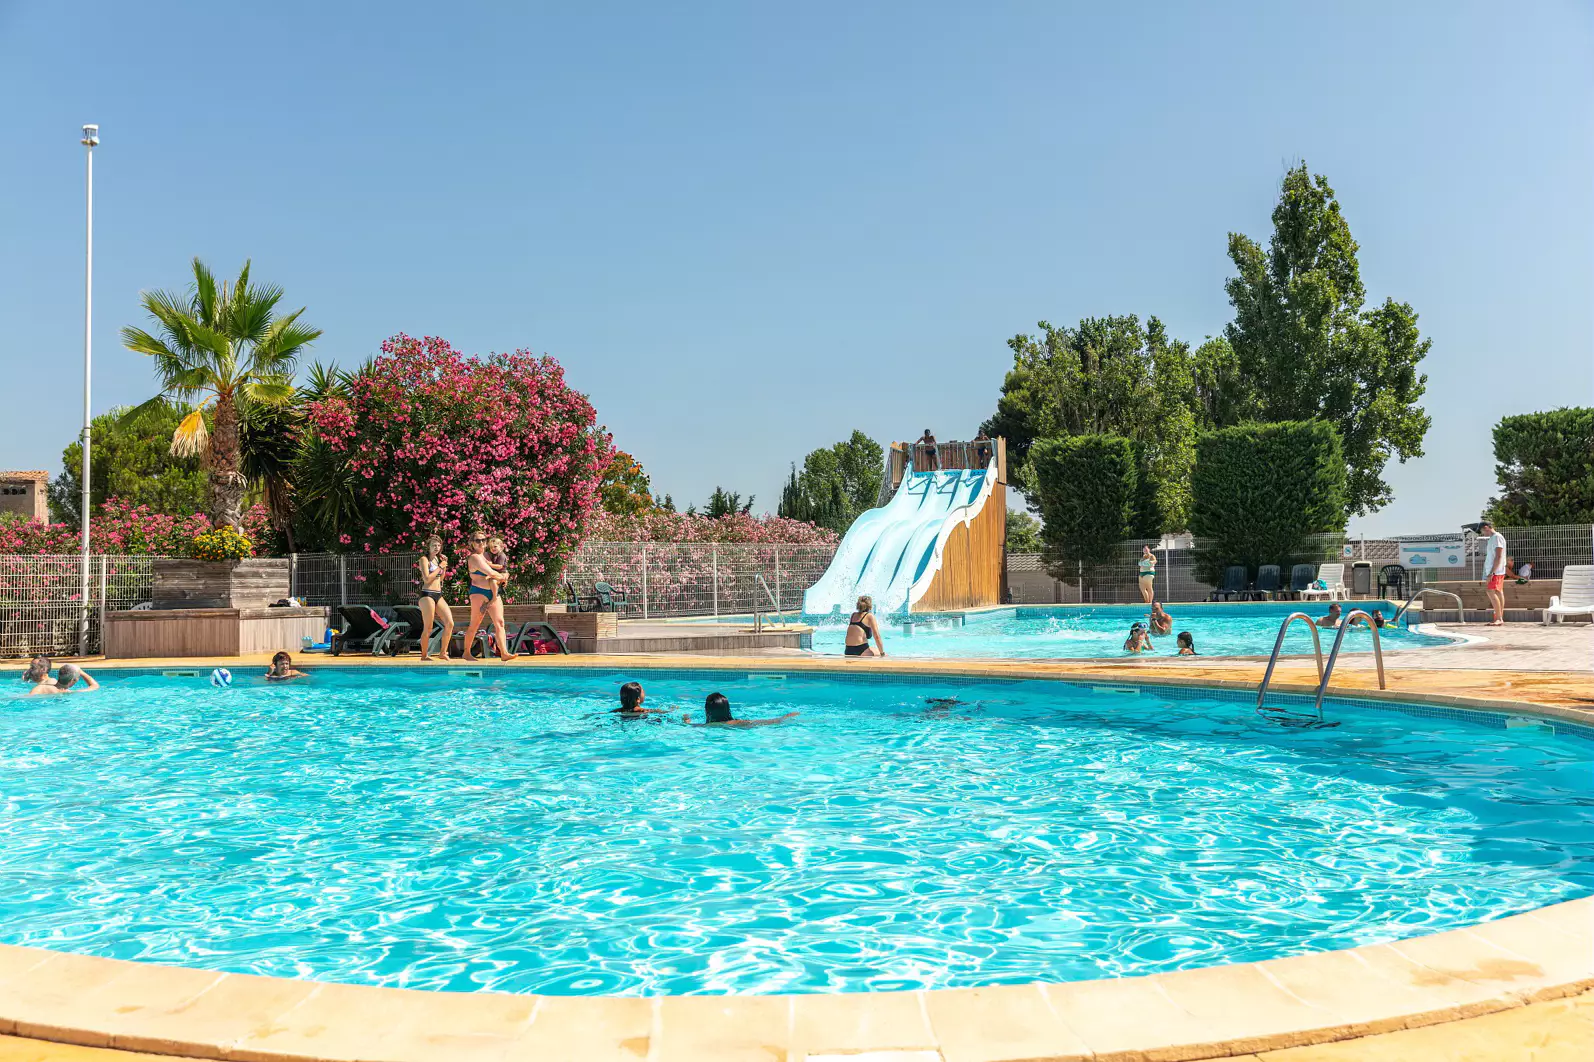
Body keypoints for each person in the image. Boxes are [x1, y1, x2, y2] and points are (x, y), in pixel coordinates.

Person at [461, 532, 517, 662]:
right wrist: (504, 577)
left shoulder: (486, 556)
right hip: (479, 592)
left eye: (483, 540)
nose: (481, 542)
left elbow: (500, 570)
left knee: (500, 622)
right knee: (475, 623)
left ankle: (504, 653)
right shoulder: (474, 558)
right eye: (477, 540)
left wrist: (504, 575)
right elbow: (491, 573)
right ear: (472, 543)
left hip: (493, 592)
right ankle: (466, 653)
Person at [415, 535, 455, 662]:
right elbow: (427, 579)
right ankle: (424, 655)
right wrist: (440, 567)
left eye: (438, 545)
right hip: (427, 594)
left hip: (438, 594)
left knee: (450, 623)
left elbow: (441, 579)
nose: (436, 548)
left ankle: (443, 653)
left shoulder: (439, 560)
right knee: (428, 627)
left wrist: (444, 566)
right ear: (428, 547)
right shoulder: (424, 559)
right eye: (434, 545)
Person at [683, 692, 798, 728]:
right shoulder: (736, 723)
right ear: (727, 709)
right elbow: (764, 722)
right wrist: (784, 717)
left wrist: (686, 718)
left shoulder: (704, 726)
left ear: (707, 711)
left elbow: (688, 725)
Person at [1478, 520, 1508, 626]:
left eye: (1482, 531)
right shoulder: (1493, 538)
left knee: (1490, 591)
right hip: (1496, 570)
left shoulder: (1497, 537)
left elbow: (1498, 556)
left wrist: (1492, 572)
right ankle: (1499, 618)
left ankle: (1499, 618)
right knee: (1498, 592)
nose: (1482, 533)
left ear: (1486, 527)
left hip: (1495, 571)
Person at [29, 663, 98, 696]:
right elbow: (95, 686)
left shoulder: (41, 688)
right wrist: (81, 672)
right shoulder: (69, 693)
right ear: (73, 680)